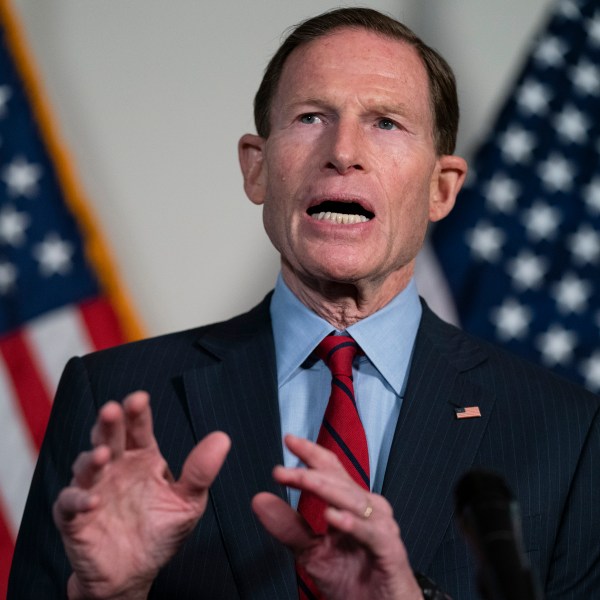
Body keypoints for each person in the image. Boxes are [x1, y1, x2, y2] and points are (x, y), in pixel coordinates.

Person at [8, 7, 600, 600]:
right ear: (257, 168)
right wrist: (105, 594)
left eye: (386, 123)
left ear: (441, 189)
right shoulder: (110, 395)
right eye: (311, 117)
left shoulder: (566, 433)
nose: (343, 152)